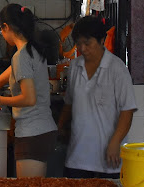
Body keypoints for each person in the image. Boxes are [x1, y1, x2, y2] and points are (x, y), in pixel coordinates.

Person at [0, 4, 57, 178]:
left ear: (6, 27)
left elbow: (29, 99)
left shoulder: (22, 57)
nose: (2, 36)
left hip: (32, 133)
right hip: (41, 131)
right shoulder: (31, 51)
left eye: (1, 30)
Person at [57, 15, 137, 179]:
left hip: (108, 157)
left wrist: (115, 142)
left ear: (102, 40)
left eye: (87, 43)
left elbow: (127, 110)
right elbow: (69, 103)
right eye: (79, 44)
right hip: (77, 156)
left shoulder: (117, 68)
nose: (83, 48)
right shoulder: (74, 66)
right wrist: (60, 126)